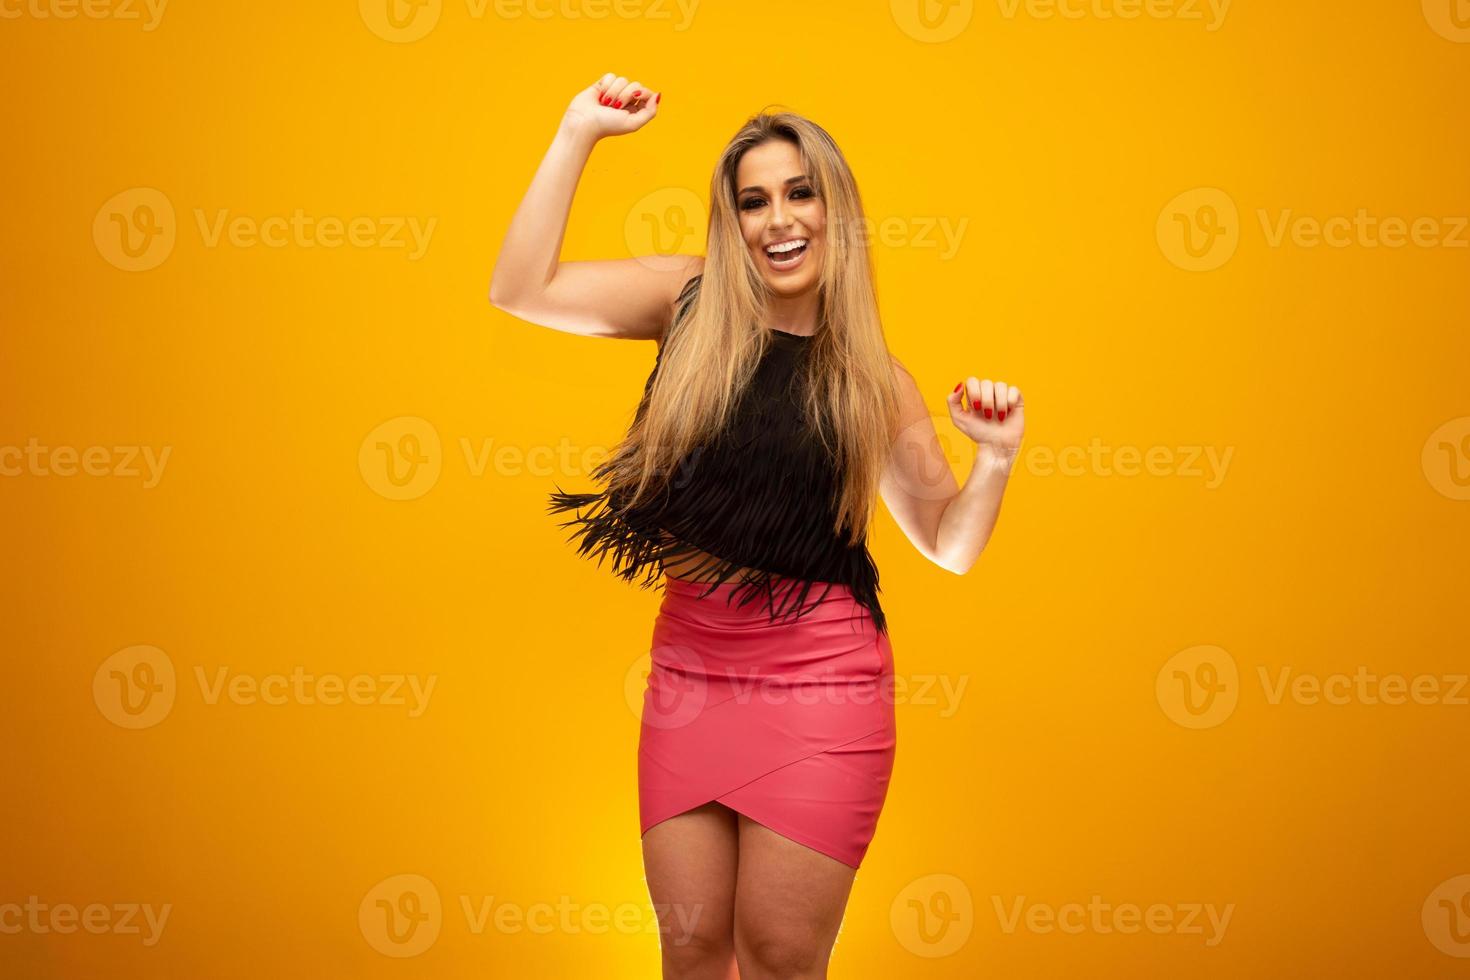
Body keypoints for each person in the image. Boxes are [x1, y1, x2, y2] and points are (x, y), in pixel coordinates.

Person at [489, 71, 1024, 980]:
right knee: (694, 950)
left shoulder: (875, 381)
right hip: (692, 670)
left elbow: (949, 544)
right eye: (754, 201)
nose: (779, 220)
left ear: (834, 209)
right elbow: (521, 288)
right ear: (731, 222)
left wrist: (996, 458)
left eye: (800, 192)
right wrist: (576, 131)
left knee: (778, 954)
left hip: (823, 684)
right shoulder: (686, 301)